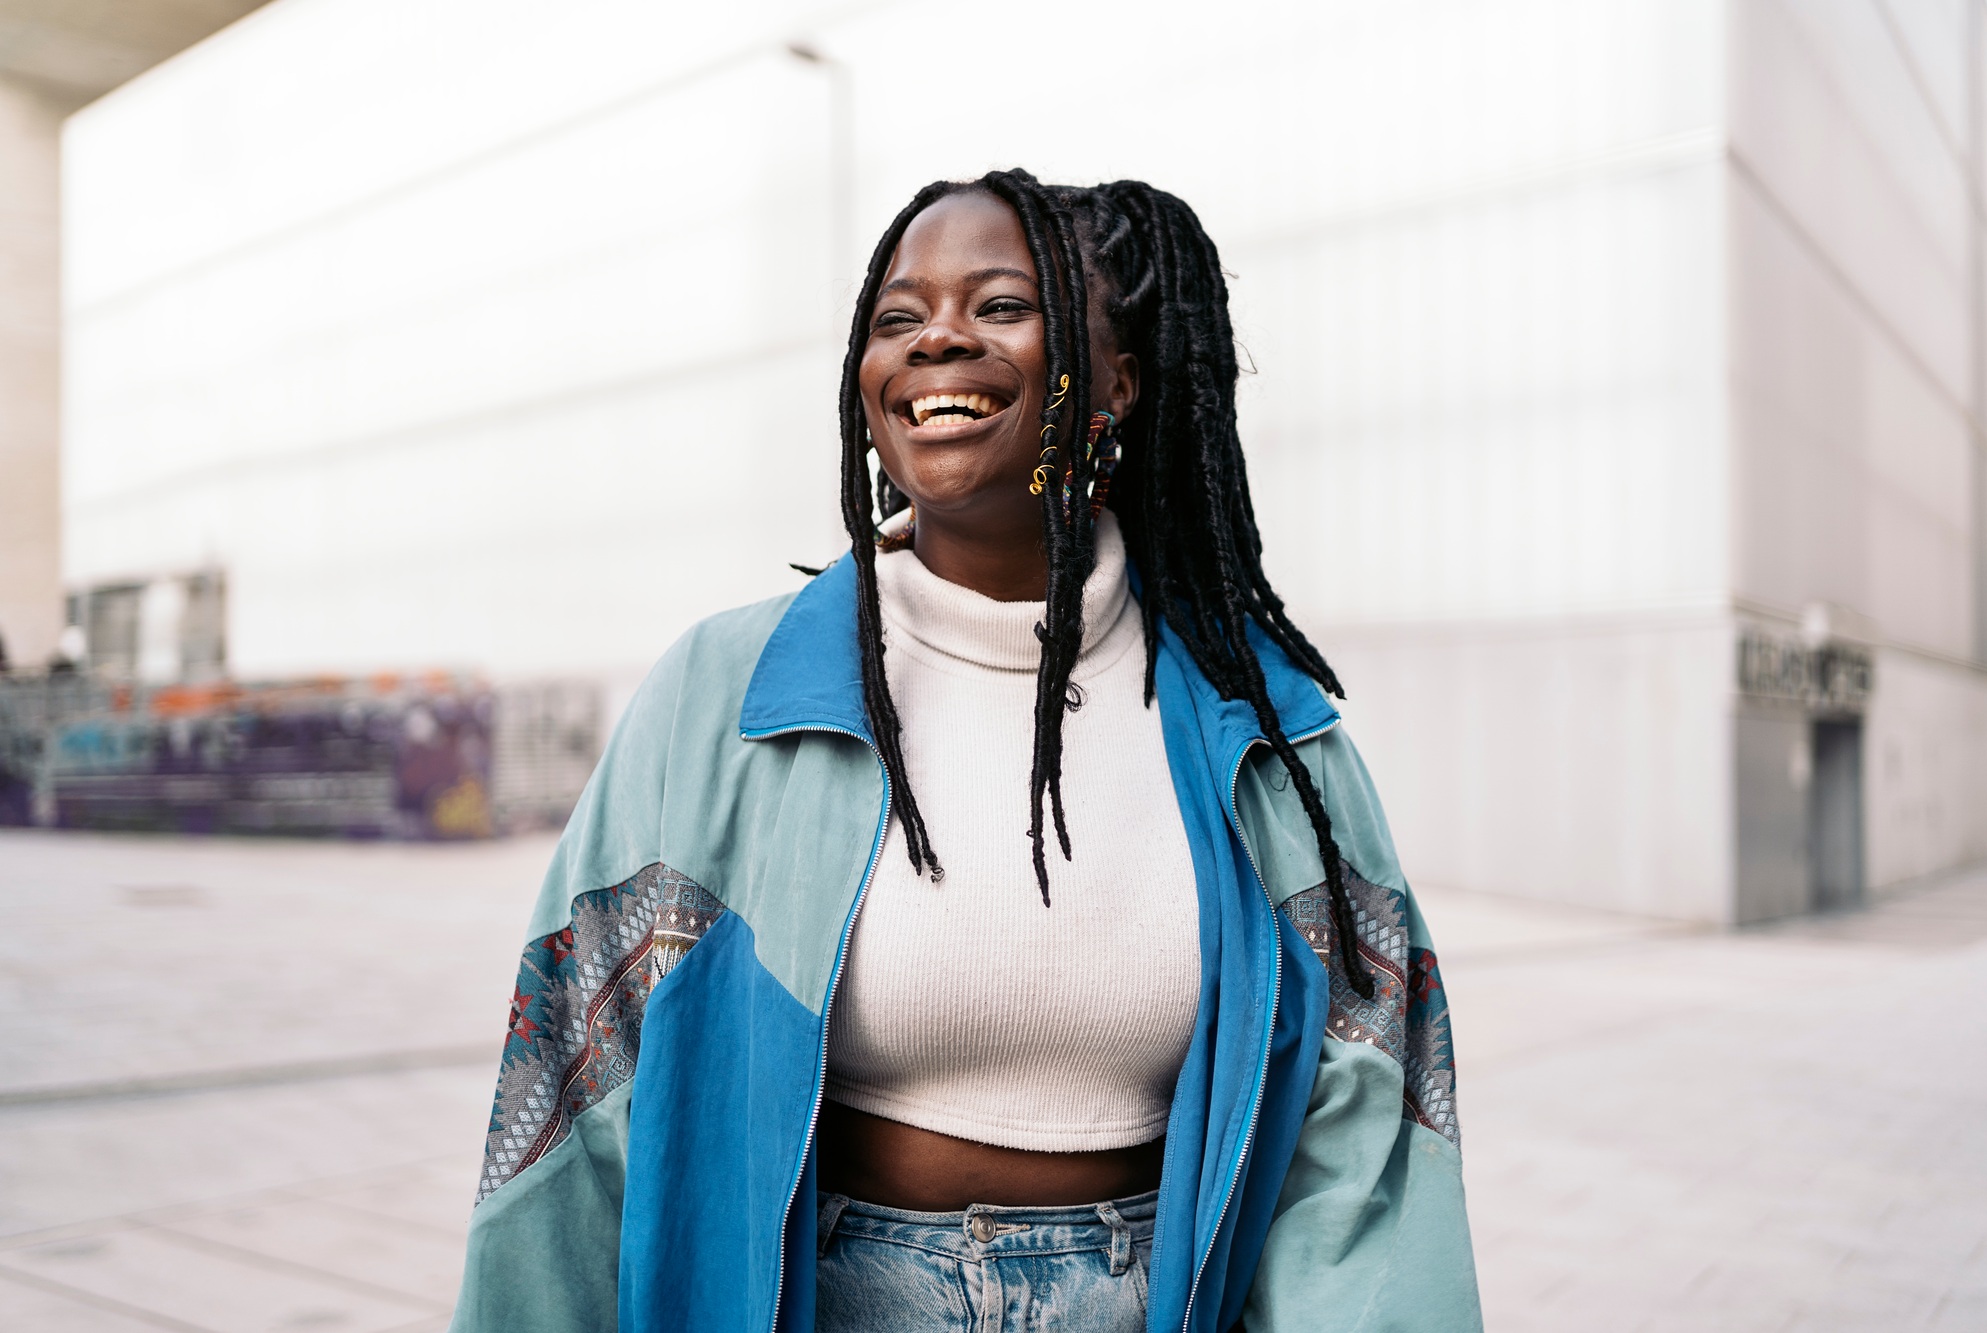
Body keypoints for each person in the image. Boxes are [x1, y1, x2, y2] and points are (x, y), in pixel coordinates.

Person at [450, 170, 1479, 1333]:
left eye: (1000, 304)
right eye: (897, 318)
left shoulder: (1261, 725)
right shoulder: (725, 694)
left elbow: (1357, 1137)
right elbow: (578, 1098)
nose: (937, 337)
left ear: (1119, 382)